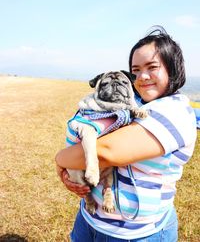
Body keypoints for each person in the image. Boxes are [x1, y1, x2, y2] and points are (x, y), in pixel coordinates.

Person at [55, 26, 197, 242]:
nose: (142, 76)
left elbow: (106, 152)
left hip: (137, 233)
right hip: (91, 218)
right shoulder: (134, 103)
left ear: (173, 69)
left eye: (152, 67)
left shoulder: (174, 112)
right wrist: (69, 174)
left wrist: (60, 160)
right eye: (136, 70)